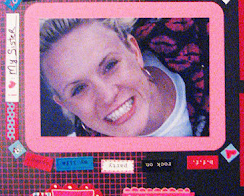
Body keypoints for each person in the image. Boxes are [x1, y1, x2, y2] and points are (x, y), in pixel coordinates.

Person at [40, 18, 193, 137]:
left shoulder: (200, 47)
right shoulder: (77, 158)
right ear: (65, 105)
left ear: (134, 52)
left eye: (110, 66)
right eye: (79, 89)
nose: (107, 96)